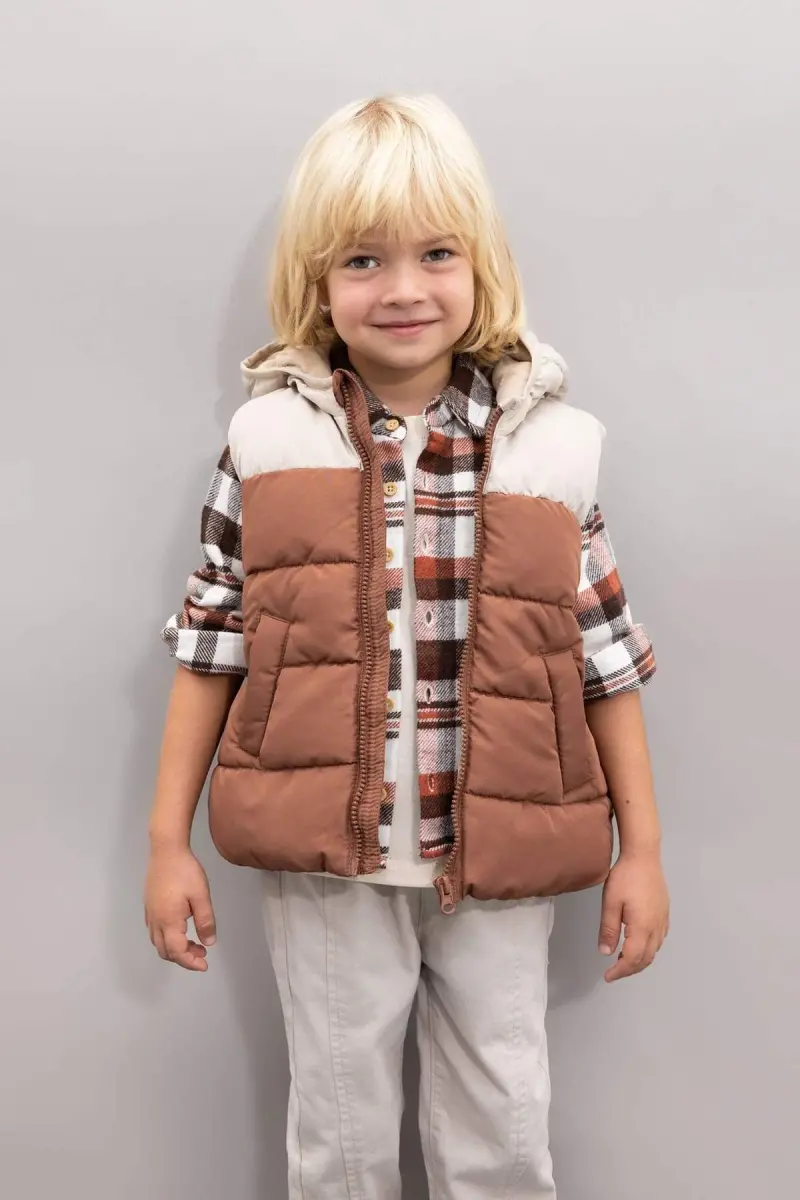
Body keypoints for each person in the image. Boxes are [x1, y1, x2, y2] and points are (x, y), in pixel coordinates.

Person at [144, 93, 670, 1198]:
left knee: (501, 1127)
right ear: (317, 281)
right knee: (338, 1135)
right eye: (362, 260)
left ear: (479, 265)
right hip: (326, 869)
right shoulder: (267, 442)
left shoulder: (549, 451)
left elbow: (604, 659)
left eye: (435, 253)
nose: (401, 289)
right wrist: (165, 842)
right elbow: (211, 640)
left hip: (500, 861)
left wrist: (644, 852)